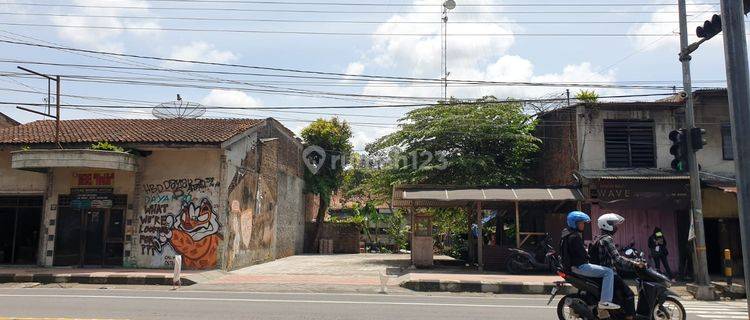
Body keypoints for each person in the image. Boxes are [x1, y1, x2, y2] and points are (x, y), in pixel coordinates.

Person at [560, 211, 620, 310]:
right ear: (574, 223)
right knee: (608, 272)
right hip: (579, 266)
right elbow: (582, 254)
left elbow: (576, 251)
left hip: (573, 266)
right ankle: (605, 301)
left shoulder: (567, 234)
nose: (583, 225)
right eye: (581, 223)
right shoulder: (574, 237)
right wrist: (588, 255)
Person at [592, 213, 647, 320]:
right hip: (610, 273)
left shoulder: (600, 238)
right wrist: (635, 263)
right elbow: (618, 259)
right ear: (606, 225)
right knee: (629, 294)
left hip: (605, 273)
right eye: (613, 224)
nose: (616, 226)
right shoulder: (607, 239)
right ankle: (629, 317)